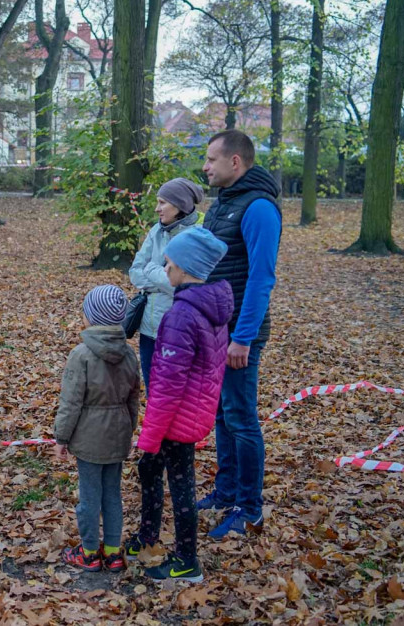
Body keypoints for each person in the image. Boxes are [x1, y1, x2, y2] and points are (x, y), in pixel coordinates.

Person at [126, 227, 233, 584]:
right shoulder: (209, 307)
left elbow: (167, 388)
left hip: (176, 420)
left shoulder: (181, 316)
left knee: (181, 485)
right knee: (150, 471)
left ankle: (187, 560)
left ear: (185, 269)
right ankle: (147, 536)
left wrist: (149, 436)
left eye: (169, 261)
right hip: (191, 413)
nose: (164, 266)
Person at [196, 130, 282, 539]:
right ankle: (226, 491)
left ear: (235, 162)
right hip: (215, 330)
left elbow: (261, 279)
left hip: (239, 336)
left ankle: (249, 509)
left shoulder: (260, 208)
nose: (205, 166)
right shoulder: (221, 204)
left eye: (212, 159)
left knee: (242, 419)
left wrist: (243, 337)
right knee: (221, 414)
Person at [54, 285, 140, 573]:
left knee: (90, 497)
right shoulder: (129, 355)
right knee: (112, 495)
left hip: (89, 440)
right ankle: (114, 552)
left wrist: (61, 438)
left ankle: (89, 551)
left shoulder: (81, 355)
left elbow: (71, 402)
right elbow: (133, 398)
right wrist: (129, 429)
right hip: (117, 437)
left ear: (91, 317)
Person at [128, 177, 204, 393]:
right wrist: (163, 279)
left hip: (179, 331)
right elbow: (135, 271)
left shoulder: (198, 235)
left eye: (162, 203)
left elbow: (186, 286)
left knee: (175, 396)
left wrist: (152, 272)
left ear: (179, 205)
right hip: (149, 330)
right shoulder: (156, 230)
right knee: (154, 394)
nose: (156, 208)